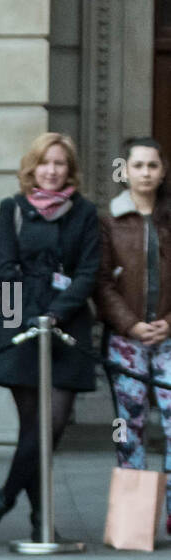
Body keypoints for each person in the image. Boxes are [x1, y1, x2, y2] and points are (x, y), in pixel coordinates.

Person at [0, 133, 100, 544]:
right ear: (33, 166)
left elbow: (87, 272)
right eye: (45, 163)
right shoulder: (11, 209)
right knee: (33, 428)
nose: (51, 170)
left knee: (52, 425)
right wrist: (30, 319)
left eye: (60, 163)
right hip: (18, 324)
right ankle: (40, 518)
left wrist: (56, 314)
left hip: (67, 327)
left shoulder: (84, 213)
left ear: (70, 170)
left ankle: (2, 496)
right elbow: (3, 266)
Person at [95, 138, 171, 535]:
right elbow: (102, 282)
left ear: (162, 171)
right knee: (130, 424)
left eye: (152, 165)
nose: (145, 173)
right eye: (138, 165)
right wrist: (130, 325)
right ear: (124, 170)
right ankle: (134, 523)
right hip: (126, 340)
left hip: (169, 339)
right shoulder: (109, 220)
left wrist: (168, 323)